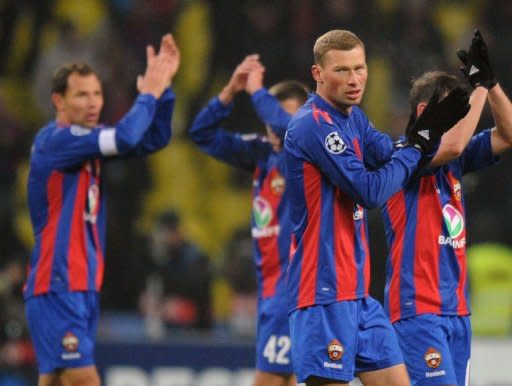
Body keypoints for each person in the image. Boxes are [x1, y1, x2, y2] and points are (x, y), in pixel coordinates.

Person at [283, 29, 470, 386]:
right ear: (317, 74)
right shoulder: (313, 125)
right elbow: (371, 190)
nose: (354, 80)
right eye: (341, 71)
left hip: (357, 293)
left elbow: (391, 155)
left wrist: (424, 137)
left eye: (360, 68)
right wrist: (417, 146)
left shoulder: (353, 119)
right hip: (323, 291)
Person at [23, 34, 180, 386]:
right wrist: (149, 91)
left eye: (97, 93)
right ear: (58, 101)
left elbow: (152, 138)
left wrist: (164, 89)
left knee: (57, 380)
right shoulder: (56, 141)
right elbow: (125, 137)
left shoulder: (87, 145)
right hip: (59, 282)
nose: (93, 102)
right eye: (82, 94)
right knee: (84, 378)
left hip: (80, 285)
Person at [382, 30, 512, 385]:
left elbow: (508, 132)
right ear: (424, 113)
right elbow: (453, 146)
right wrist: (479, 87)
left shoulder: (455, 161)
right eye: (454, 109)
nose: (463, 117)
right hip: (417, 310)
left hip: (456, 311)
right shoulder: (403, 154)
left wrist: (492, 83)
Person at [189, 54, 309, 386]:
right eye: (270, 118)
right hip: (272, 289)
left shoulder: (301, 160)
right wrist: (229, 92)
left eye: (284, 118)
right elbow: (201, 134)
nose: (275, 126)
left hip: (292, 289)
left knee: (270, 379)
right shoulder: (261, 153)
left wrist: (257, 92)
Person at [140, 210, 212, 331]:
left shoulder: (195, 259)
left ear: (177, 232)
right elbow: (151, 296)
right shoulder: (160, 257)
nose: (163, 239)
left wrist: (170, 306)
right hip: (166, 327)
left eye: (167, 233)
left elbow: (199, 307)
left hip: (196, 331)